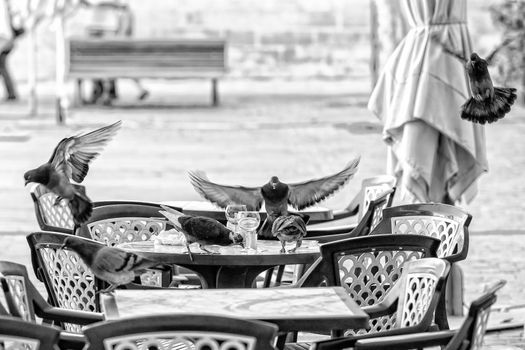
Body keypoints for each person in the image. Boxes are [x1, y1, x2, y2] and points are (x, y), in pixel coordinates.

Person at [368, 0, 488, 205]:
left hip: (436, 55)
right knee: (425, 164)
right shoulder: (436, 30)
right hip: (435, 55)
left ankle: (435, 224)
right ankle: (431, 224)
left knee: (427, 165)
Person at [85, 0, 148, 104]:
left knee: (107, 61)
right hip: (95, 26)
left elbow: (123, 6)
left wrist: (100, 4)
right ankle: (100, 92)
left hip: (106, 27)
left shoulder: (120, 13)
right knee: (98, 60)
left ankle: (106, 92)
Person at [0, 0, 24, 101]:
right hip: (7, 39)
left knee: (2, 67)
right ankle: (11, 93)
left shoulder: (4, 5)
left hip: (4, 39)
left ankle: (11, 93)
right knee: (3, 67)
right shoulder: (8, 4)